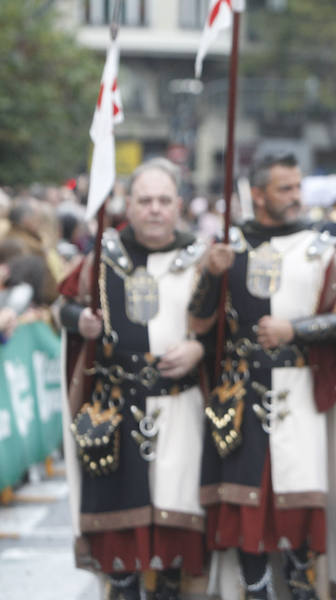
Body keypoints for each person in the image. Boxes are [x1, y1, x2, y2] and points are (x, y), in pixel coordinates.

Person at [189, 153, 336, 600]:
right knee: (247, 505)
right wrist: (210, 274)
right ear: (258, 194)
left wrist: (295, 329)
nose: (296, 196)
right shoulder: (229, 248)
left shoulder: (322, 250)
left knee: (299, 501)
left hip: (299, 390)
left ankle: (301, 588)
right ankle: (256, 590)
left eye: (298, 187)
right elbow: (200, 323)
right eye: (285, 189)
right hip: (240, 393)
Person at [57, 158, 207, 600]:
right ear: (129, 204)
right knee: (123, 535)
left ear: (178, 205)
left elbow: (229, 329)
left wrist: (200, 349)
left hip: (181, 409)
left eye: (164, 200)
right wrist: (78, 321)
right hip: (116, 412)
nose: (155, 209)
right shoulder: (101, 260)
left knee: (175, 524)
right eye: (145, 200)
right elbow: (62, 305)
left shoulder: (201, 261)